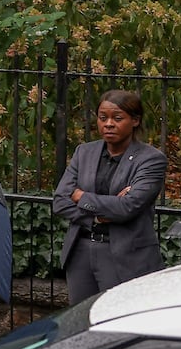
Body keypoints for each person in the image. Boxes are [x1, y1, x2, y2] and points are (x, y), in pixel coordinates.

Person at [52, 89, 167, 304]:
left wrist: (81, 196)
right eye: (103, 118)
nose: (109, 124)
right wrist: (98, 215)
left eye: (117, 118)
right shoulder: (84, 152)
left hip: (125, 255)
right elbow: (60, 201)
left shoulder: (151, 160)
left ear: (135, 120)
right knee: (81, 324)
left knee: (119, 321)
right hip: (81, 252)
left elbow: (127, 207)